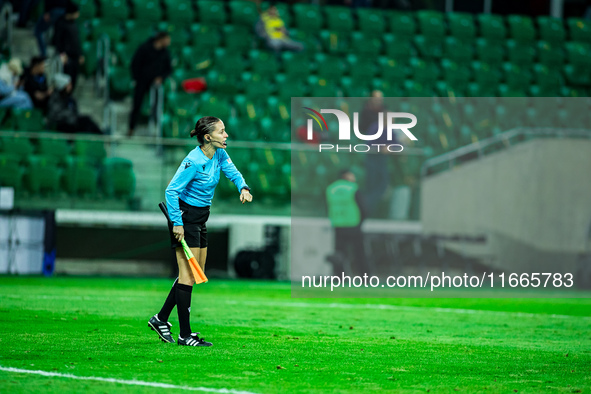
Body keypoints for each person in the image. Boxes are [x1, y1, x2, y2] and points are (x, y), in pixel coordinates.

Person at [148, 116, 253, 347]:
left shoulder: (220, 154)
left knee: (195, 273)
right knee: (187, 275)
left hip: (200, 218)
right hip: (185, 219)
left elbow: (233, 172)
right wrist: (177, 223)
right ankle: (185, 335)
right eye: (222, 131)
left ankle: (160, 318)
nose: (226, 135)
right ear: (208, 137)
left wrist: (243, 187)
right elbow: (171, 191)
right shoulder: (193, 161)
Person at [128, 32, 172, 137]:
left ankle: (155, 129)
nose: (169, 42)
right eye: (167, 40)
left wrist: (161, 77)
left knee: (158, 106)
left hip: (155, 85)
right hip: (141, 81)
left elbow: (169, 69)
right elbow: (135, 63)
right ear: (160, 39)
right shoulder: (144, 48)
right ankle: (131, 128)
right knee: (137, 105)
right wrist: (136, 78)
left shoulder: (165, 52)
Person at [326, 170, 369, 276]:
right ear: (346, 175)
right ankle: (365, 277)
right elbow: (363, 208)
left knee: (339, 254)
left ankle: (339, 276)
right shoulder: (353, 188)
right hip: (353, 225)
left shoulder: (331, 189)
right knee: (359, 254)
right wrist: (361, 221)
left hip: (338, 225)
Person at [52, 1, 84, 89]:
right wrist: (62, 54)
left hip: (75, 56)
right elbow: (58, 40)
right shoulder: (60, 23)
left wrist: (80, 54)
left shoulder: (74, 23)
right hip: (66, 57)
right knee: (65, 81)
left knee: (74, 79)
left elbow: (77, 40)